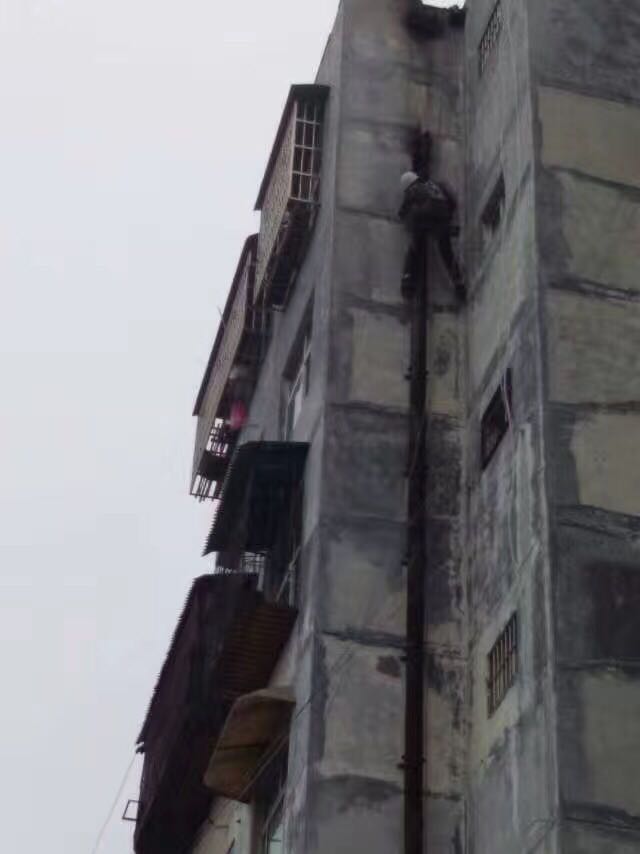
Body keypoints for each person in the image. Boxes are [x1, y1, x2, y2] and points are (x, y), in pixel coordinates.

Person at [399, 170, 465, 301]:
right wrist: (448, 219)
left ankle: (408, 282)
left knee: (414, 248)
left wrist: (405, 217)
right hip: (442, 218)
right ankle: (458, 283)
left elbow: (403, 211)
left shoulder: (413, 189)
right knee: (447, 253)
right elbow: (452, 201)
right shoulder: (435, 185)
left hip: (425, 218)